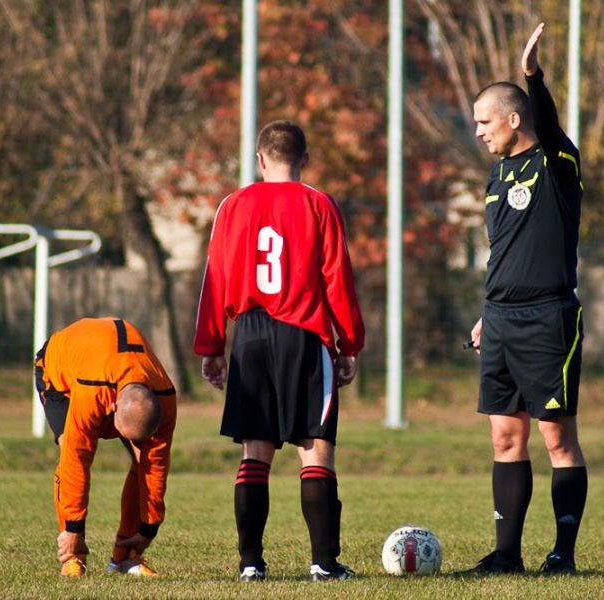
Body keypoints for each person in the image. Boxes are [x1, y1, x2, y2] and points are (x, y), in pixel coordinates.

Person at [194, 119, 365, 583]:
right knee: (315, 450)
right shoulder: (318, 204)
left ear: (260, 159)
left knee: (255, 451)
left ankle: (251, 563)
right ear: (304, 159)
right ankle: (324, 564)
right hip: (306, 337)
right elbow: (337, 279)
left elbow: (216, 277)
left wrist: (212, 345)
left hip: (249, 336)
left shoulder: (233, 205)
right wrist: (348, 343)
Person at [463, 22, 587, 576]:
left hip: (548, 318)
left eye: (485, 122)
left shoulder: (555, 163)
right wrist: (486, 314)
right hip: (501, 319)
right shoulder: (497, 175)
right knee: (504, 435)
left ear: (514, 119)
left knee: (556, 438)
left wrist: (532, 74)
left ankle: (562, 553)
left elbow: (551, 124)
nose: (480, 133)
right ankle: (506, 555)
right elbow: (505, 252)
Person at [34, 317, 177, 578]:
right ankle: (72, 557)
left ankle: (124, 558)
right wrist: (73, 529)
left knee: (142, 459)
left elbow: (156, 465)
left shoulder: (165, 396)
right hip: (60, 376)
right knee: (69, 448)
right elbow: (77, 459)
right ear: (111, 410)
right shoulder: (93, 392)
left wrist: (148, 529)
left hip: (108, 371)